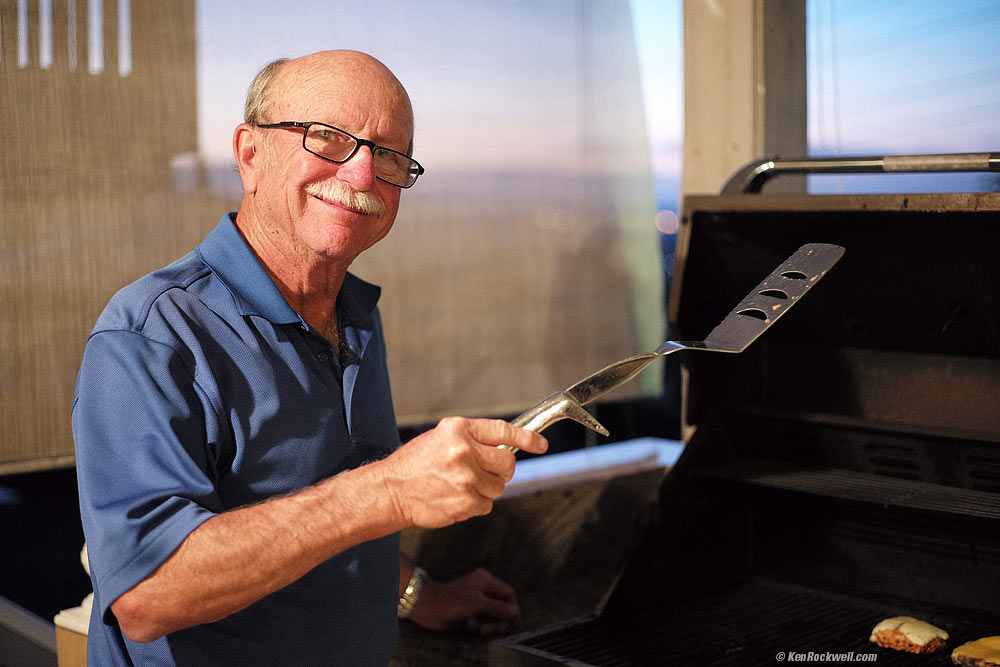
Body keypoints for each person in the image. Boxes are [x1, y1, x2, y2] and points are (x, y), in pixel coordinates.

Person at [72, 50, 548, 666]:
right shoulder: (153, 333)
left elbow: (307, 513)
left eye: (389, 156)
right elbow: (146, 592)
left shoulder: (354, 315)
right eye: (327, 139)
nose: (361, 176)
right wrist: (390, 493)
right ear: (250, 155)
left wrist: (414, 593)